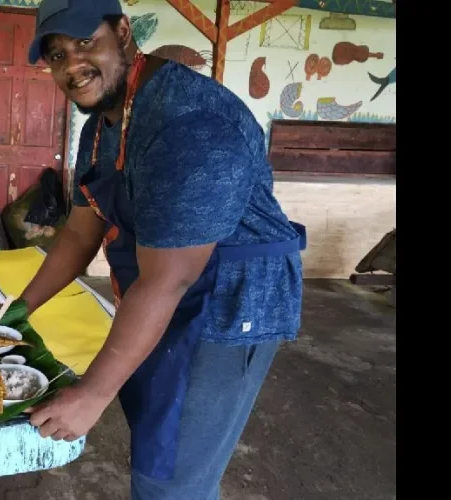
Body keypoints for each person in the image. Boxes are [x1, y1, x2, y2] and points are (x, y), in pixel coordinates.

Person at [17, 0, 306, 498]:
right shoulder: (99, 127)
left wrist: (92, 393)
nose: (71, 65)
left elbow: (167, 279)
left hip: (228, 305)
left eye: (85, 42)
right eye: (57, 55)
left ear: (124, 33)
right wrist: (13, 315)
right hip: (159, 291)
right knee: (160, 436)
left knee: (171, 474)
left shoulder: (188, 124)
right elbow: (80, 234)